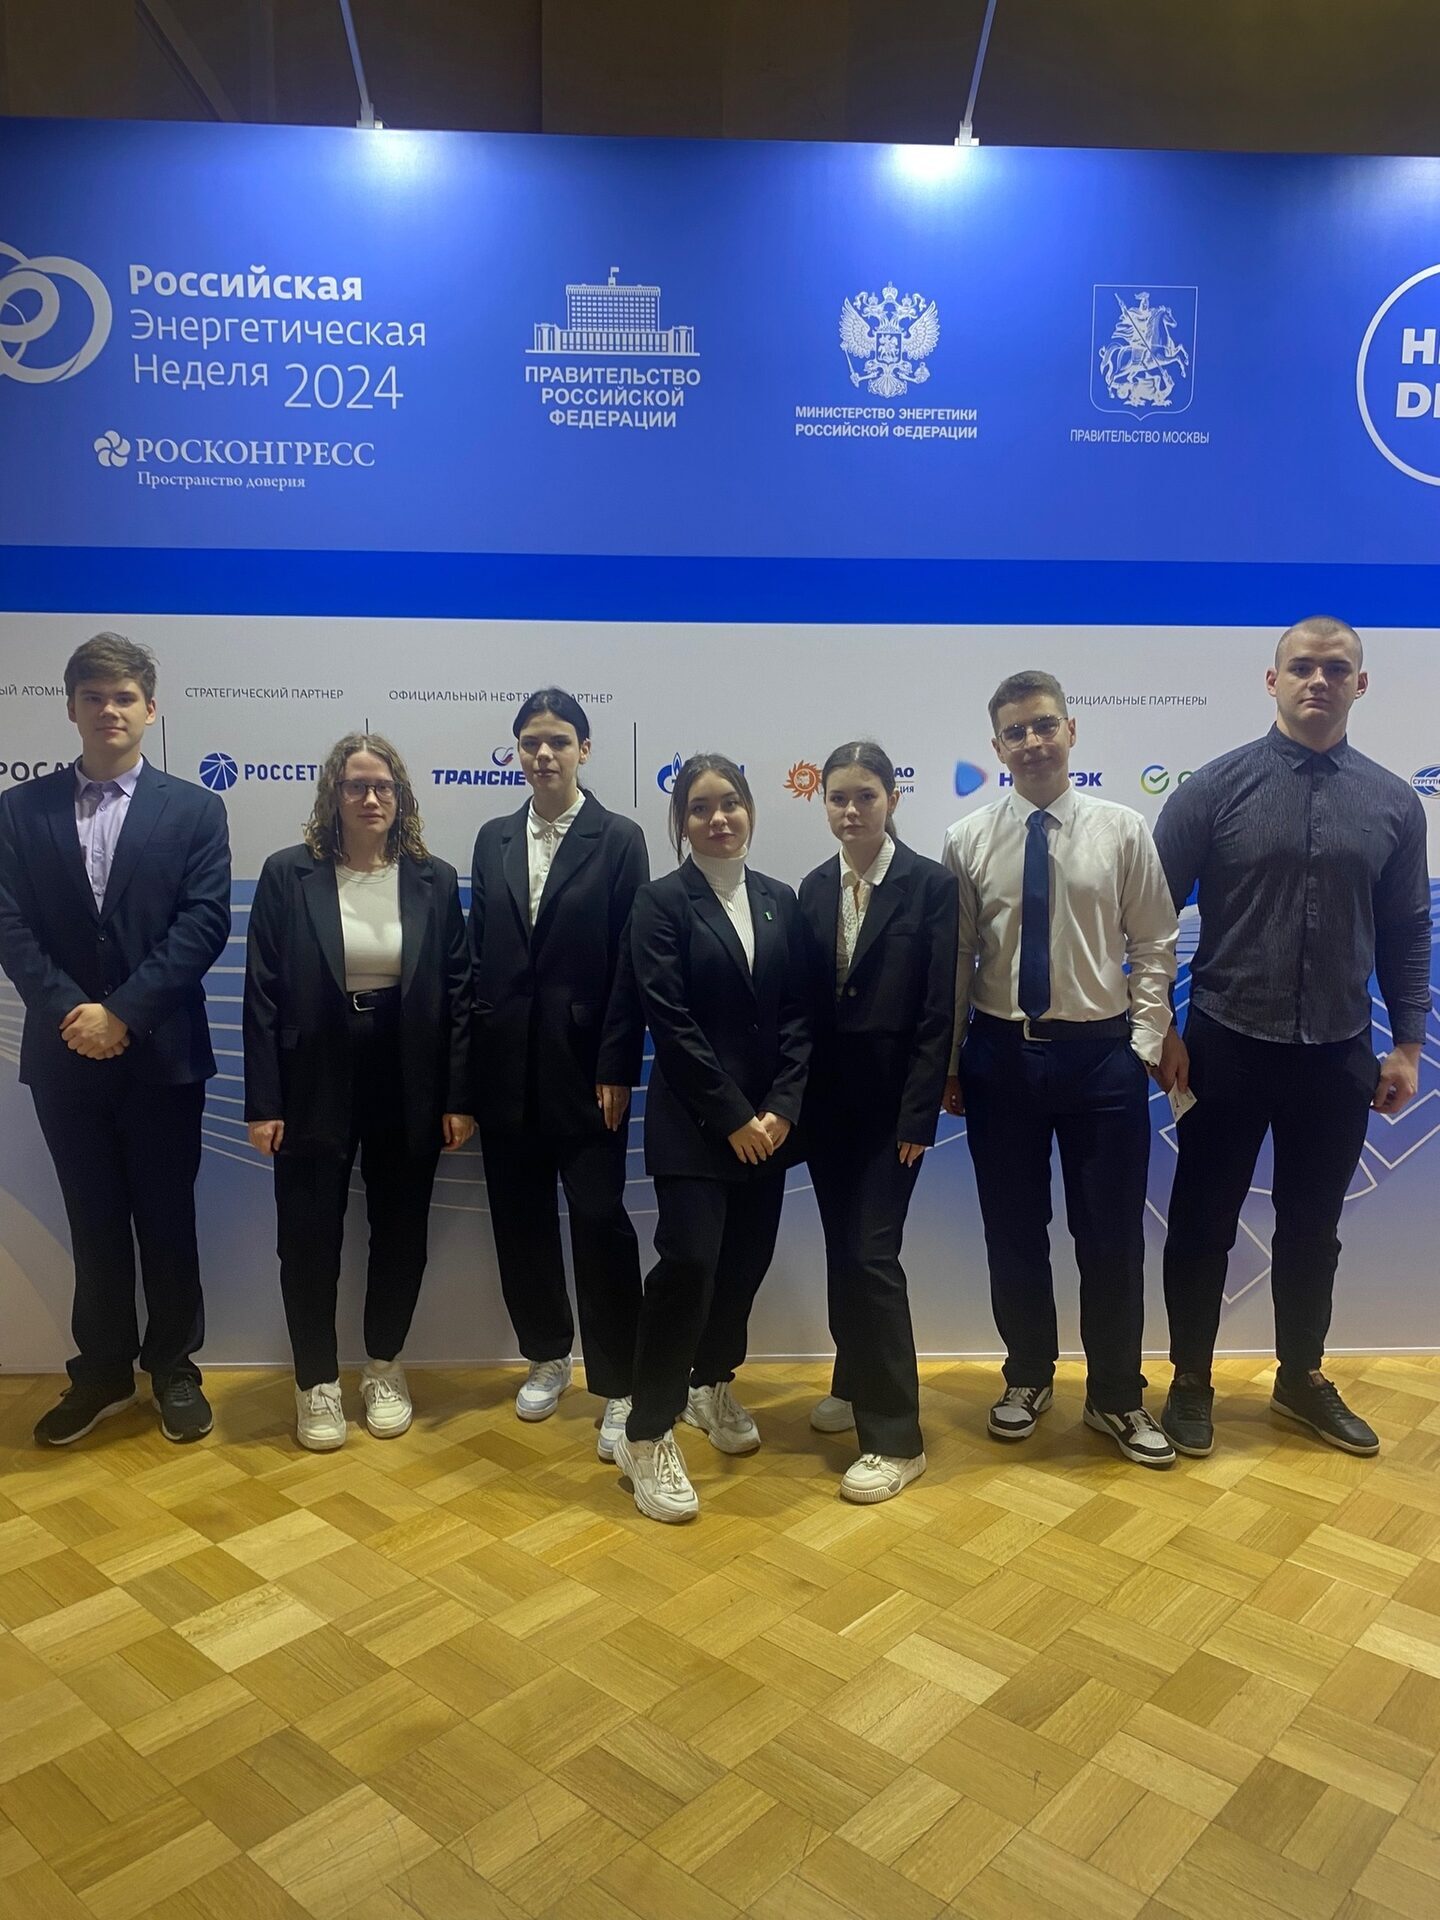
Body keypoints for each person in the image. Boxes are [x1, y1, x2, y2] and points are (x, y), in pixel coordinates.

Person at [1153, 617, 1429, 1459]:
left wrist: (1407, 1043)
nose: (1319, 681)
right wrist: (1159, 1024)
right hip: (1224, 1046)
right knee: (1201, 1224)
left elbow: (1407, 930)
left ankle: (1300, 1379)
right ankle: (1190, 1381)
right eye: (1302, 667)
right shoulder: (1214, 789)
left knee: (1314, 1232)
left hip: (1338, 1055)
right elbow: (1147, 920)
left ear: (1360, 684)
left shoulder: (1394, 801)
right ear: (1271, 681)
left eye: (1336, 669)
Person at [942, 670, 1180, 1468]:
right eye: (1016, 731)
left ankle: (1115, 1394)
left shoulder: (1122, 829)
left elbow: (1154, 943)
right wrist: (950, 1061)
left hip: (1101, 1060)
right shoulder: (968, 839)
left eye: (1045, 725)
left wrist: (1142, 1043)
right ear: (997, 746)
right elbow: (957, 960)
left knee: (1110, 1238)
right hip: (1000, 1056)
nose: (1033, 741)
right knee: (1013, 1232)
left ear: (1071, 731)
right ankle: (1027, 1377)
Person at [0, 632, 231, 1446]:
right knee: (92, 1220)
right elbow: (9, 924)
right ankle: (101, 1372)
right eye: (94, 696)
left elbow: (204, 923)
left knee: (167, 1218)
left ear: (150, 709)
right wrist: (76, 1013)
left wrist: (124, 1013)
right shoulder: (18, 811)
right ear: (71, 708)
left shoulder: (195, 809)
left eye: (124, 696)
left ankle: (173, 1369)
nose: (109, 709)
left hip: (163, 1054)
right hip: (64, 1057)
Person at [244, 732, 474, 1450]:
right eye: (355, 786)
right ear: (333, 795)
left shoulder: (434, 879)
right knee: (307, 1234)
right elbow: (262, 993)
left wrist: (458, 1096)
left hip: (408, 1071)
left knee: (401, 1231)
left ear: (400, 797)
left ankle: (383, 1366)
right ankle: (315, 1381)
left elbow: (460, 995)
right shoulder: (288, 874)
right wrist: (264, 1102)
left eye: (383, 786)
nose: (370, 798)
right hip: (313, 1073)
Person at [610, 753, 811, 1521]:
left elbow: (800, 1015)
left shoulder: (780, 900)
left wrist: (781, 1108)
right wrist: (732, 1117)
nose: (718, 818)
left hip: (770, 1127)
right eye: (700, 808)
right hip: (697, 1125)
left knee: (743, 1267)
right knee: (689, 1267)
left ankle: (711, 1383)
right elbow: (671, 1021)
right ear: (682, 823)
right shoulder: (660, 902)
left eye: (730, 802)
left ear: (750, 809)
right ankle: (646, 1432)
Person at [469, 689, 648, 1454]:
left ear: (584, 750)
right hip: (505, 1066)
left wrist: (617, 1063)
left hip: (587, 1071)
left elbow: (631, 964)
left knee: (600, 1221)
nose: (544, 754)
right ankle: (546, 1354)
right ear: (516, 751)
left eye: (559, 741)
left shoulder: (620, 838)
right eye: (531, 742)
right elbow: (479, 958)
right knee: (520, 1220)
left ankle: (619, 1381)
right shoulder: (494, 838)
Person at [798, 742, 958, 1503]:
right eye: (838, 797)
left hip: (894, 1112)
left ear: (893, 798)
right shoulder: (812, 888)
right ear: (823, 804)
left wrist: (919, 1113)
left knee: (871, 1255)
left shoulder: (930, 885)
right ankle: (853, 1377)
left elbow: (937, 1010)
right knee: (843, 1250)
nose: (851, 810)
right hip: (826, 1110)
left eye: (865, 795)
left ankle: (897, 1437)